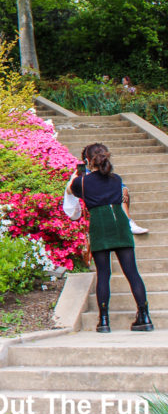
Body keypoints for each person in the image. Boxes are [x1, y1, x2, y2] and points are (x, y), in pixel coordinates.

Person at [67, 143, 153, 333]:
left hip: (100, 225)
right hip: (120, 224)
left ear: (88, 161)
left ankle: (103, 321)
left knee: (104, 274)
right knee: (132, 273)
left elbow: (72, 192)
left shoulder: (81, 182)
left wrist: (77, 176)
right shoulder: (117, 179)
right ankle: (144, 316)